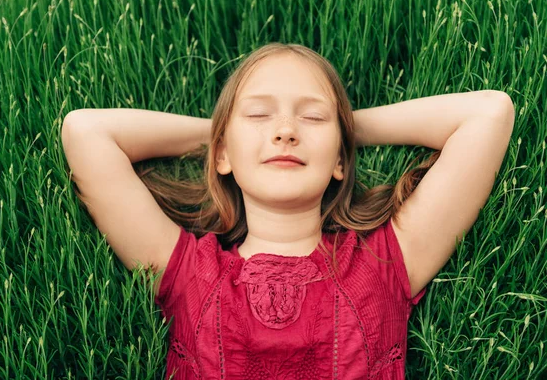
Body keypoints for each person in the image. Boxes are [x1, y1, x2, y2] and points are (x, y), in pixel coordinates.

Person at [61, 43, 515, 379]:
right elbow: (86, 132)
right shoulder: (187, 271)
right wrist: (226, 136)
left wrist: (342, 129)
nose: (285, 131)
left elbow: (489, 114)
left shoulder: (385, 263)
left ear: (341, 160)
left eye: (312, 118)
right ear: (221, 156)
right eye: (259, 115)